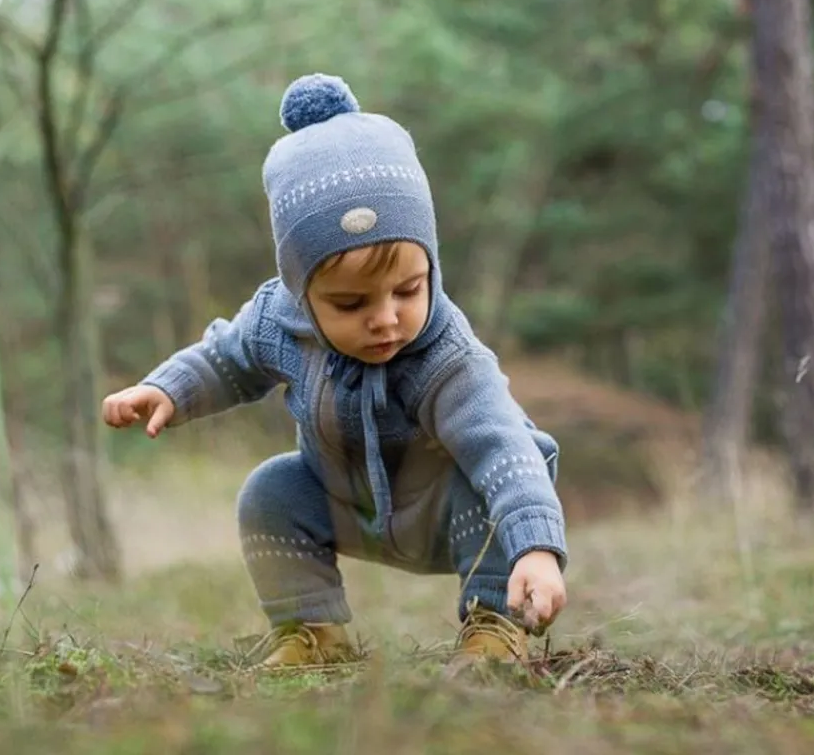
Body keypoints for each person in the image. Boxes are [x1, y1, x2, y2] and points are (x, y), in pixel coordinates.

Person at [102, 73, 568, 667]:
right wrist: (167, 387)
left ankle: (492, 628)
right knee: (269, 492)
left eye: (408, 290)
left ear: (431, 266)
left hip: (447, 514)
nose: (386, 319)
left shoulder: (449, 357)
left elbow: (504, 444)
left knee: (494, 476)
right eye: (351, 304)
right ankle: (313, 630)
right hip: (346, 502)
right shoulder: (281, 322)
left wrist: (536, 549)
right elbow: (226, 357)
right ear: (302, 292)